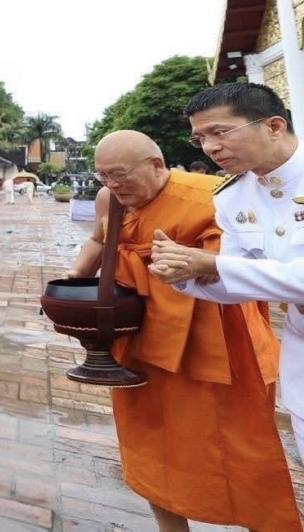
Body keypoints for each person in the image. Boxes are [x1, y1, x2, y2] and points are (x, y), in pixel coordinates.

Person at [66, 130, 295, 531]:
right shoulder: (110, 199)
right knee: (151, 448)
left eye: (120, 175)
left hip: (214, 344)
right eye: (104, 177)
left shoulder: (214, 194)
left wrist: (193, 262)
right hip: (139, 340)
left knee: (241, 449)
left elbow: (245, 262)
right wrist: (69, 283)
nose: (113, 185)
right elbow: (100, 241)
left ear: (157, 165)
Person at [150, 82, 304, 463]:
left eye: (220, 132)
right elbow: (239, 280)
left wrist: (213, 264)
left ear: (273, 126)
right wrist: (184, 272)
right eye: (200, 138)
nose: (209, 148)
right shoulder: (232, 196)